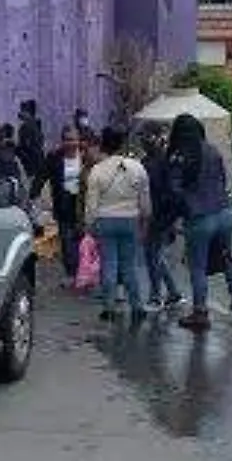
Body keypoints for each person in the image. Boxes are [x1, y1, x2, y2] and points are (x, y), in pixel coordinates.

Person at [169, 113, 232, 331]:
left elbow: (175, 191)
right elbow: (223, 179)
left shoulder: (180, 156)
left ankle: (200, 312)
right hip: (224, 213)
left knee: (198, 266)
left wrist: (179, 214)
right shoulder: (213, 151)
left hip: (200, 217)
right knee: (225, 257)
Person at [84, 126, 151, 323]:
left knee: (109, 264)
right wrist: (144, 222)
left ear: (102, 145)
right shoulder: (137, 168)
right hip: (130, 220)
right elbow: (145, 202)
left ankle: (109, 307)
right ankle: (137, 306)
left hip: (105, 221)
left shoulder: (97, 171)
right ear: (122, 144)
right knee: (129, 265)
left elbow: (91, 205)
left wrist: (90, 226)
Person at [31, 126, 86, 286]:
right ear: (62, 141)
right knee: (67, 240)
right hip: (63, 203)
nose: (71, 143)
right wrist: (33, 194)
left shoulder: (86, 156)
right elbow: (42, 176)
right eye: (67, 139)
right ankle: (71, 273)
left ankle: (85, 272)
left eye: (73, 139)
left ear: (79, 141)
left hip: (83, 204)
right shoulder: (54, 157)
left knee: (84, 240)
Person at [140, 123, 185, 309]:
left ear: (159, 138)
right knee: (154, 255)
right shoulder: (145, 161)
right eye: (142, 136)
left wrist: (170, 219)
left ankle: (156, 296)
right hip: (150, 214)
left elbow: (173, 192)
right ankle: (173, 293)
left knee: (153, 256)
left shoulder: (167, 161)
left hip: (161, 216)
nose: (144, 140)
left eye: (148, 136)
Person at [17, 100, 45, 178]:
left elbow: (25, 146)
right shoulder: (36, 125)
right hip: (37, 161)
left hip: (30, 163)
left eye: (23, 110)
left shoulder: (26, 127)